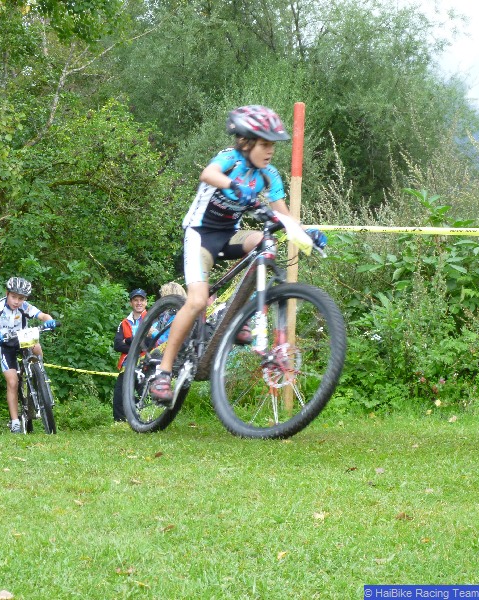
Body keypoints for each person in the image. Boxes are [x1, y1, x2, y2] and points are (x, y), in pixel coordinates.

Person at [149, 105, 327, 404]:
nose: (270, 151)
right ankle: (163, 372)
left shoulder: (269, 175)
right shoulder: (230, 159)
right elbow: (208, 174)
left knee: (266, 243)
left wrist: (306, 232)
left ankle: (237, 315)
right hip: (200, 236)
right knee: (196, 301)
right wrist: (234, 185)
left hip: (230, 235)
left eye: (272, 145)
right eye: (264, 144)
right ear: (246, 142)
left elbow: (285, 216)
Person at [0, 277, 56, 433]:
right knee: (13, 382)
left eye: (21, 298)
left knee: (36, 345)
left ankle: (39, 375)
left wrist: (50, 321)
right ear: (7, 293)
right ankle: (14, 422)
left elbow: (43, 316)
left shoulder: (25, 307)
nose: (17, 301)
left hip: (23, 339)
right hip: (5, 344)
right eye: (13, 297)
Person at [111, 288, 148, 422]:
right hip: (127, 363)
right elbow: (117, 345)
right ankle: (120, 421)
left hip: (146, 361)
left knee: (145, 394)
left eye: (141, 300)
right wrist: (137, 342)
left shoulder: (151, 318)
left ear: (146, 302)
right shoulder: (124, 322)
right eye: (135, 300)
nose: (139, 303)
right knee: (119, 395)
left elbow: (149, 342)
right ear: (131, 303)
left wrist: (127, 340)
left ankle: (146, 420)